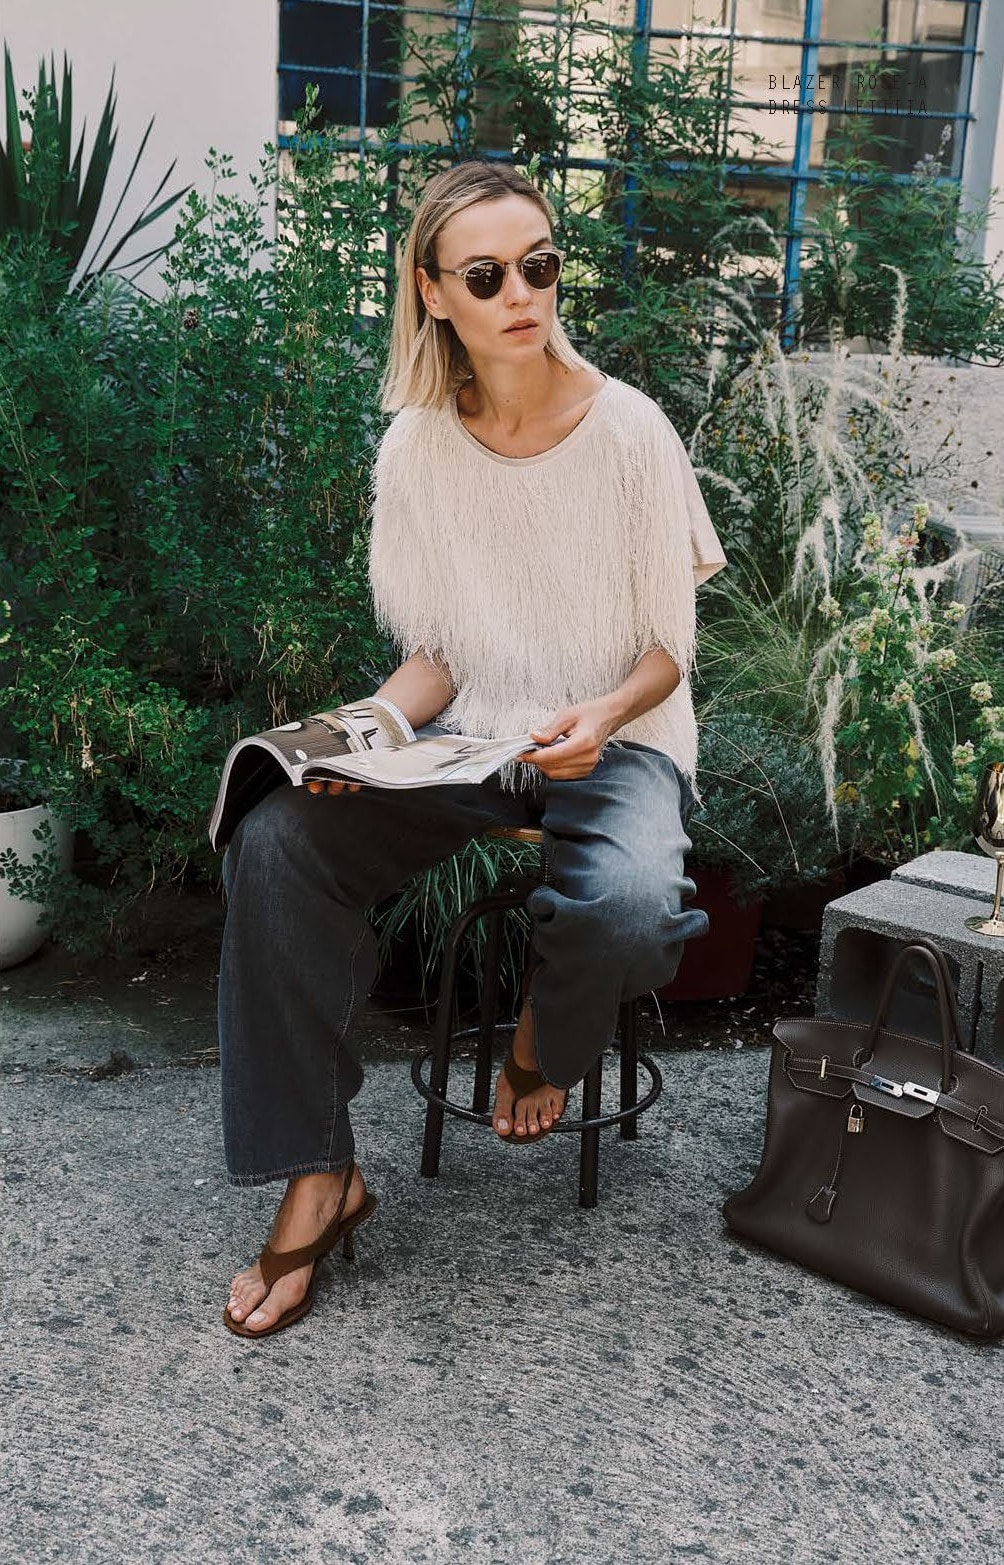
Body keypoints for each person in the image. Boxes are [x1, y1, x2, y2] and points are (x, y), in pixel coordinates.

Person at [220, 160, 726, 1338]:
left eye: (538, 264)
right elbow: (437, 658)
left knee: (632, 906)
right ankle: (320, 1171)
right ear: (432, 290)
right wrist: (357, 734)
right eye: (487, 274)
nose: (521, 292)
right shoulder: (417, 448)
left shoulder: (629, 431)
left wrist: (597, 714)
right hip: (468, 745)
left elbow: (668, 649)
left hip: (617, 737)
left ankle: (542, 1039)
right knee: (275, 839)